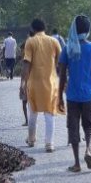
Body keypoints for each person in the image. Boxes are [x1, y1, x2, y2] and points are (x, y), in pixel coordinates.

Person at [58, 14, 91, 173]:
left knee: (73, 127)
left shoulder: (67, 48)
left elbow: (61, 75)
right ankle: (89, 149)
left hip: (72, 96)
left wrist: (59, 97)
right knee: (89, 125)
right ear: (88, 30)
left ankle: (76, 163)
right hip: (88, 94)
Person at [20, 18, 61, 152]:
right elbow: (61, 62)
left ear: (32, 29)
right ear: (45, 28)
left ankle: (31, 139)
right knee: (49, 114)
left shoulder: (30, 42)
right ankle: (49, 144)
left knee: (33, 112)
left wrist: (23, 83)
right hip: (51, 83)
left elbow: (26, 64)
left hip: (34, 83)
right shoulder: (54, 41)